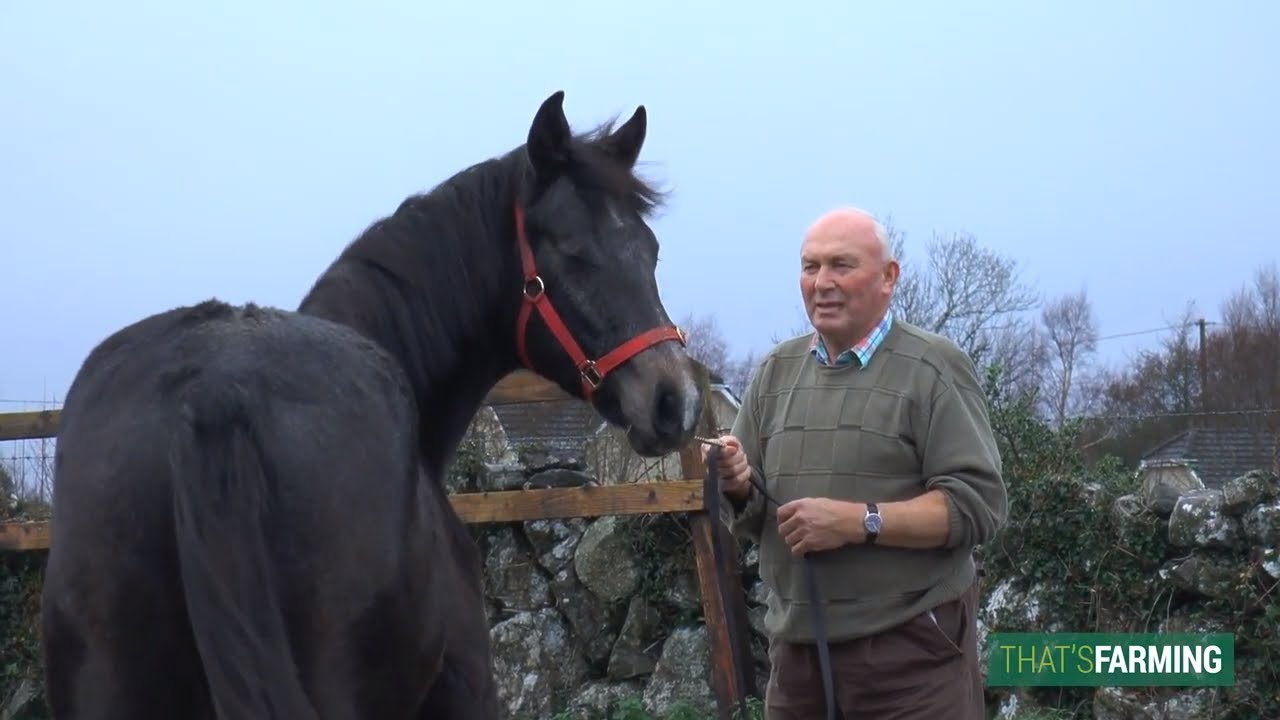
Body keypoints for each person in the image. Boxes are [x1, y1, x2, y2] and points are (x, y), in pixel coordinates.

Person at [705, 207, 1007, 719]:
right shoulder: (775, 371)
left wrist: (855, 521)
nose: (822, 283)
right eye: (810, 267)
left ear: (889, 277)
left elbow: (978, 507)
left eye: (841, 265)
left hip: (910, 658)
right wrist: (736, 482)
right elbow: (754, 509)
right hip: (797, 665)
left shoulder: (934, 367)